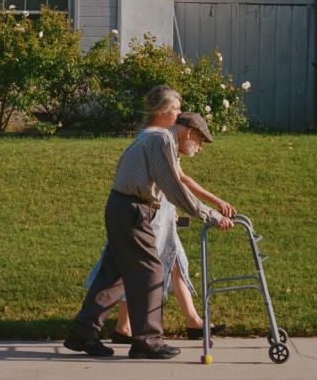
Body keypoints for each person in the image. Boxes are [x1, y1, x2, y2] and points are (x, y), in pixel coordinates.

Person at [64, 104, 233, 360]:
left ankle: (83, 332)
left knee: (113, 274)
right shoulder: (162, 140)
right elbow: (174, 189)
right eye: (200, 141)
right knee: (152, 271)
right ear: (189, 133)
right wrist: (210, 216)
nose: (199, 148)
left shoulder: (159, 140)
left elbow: (175, 184)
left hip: (123, 207)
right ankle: (147, 341)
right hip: (132, 210)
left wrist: (211, 208)